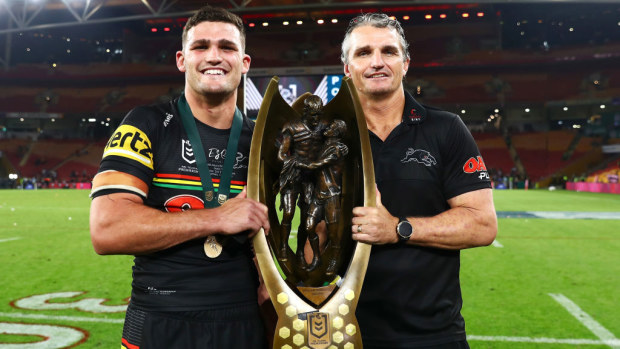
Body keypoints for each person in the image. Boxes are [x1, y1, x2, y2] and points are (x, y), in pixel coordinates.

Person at [89, 6, 270, 349]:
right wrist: (217, 217)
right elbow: (107, 229)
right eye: (201, 46)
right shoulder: (146, 123)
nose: (214, 56)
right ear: (181, 60)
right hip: (160, 319)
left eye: (227, 47)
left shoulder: (263, 140)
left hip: (245, 322)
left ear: (245, 63)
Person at [340, 13, 498, 348]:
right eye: (364, 53)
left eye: (389, 52)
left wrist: (397, 228)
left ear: (406, 63)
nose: (377, 62)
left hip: (434, 334)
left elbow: (482, 224)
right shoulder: (328, 139)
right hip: (349, 329)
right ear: (347, 68)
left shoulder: (446, 129)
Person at [275, 95, 328, 267]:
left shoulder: (323, 128)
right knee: (288, 214)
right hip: (294, 176)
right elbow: (282, 154)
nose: (316, 119)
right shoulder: (292, 127)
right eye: (313, 115)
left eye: (318, 115)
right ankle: (283, 246)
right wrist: (297, 162)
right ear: (305, 112)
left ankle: (299, 253)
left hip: (311, 179)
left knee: (306, 220)